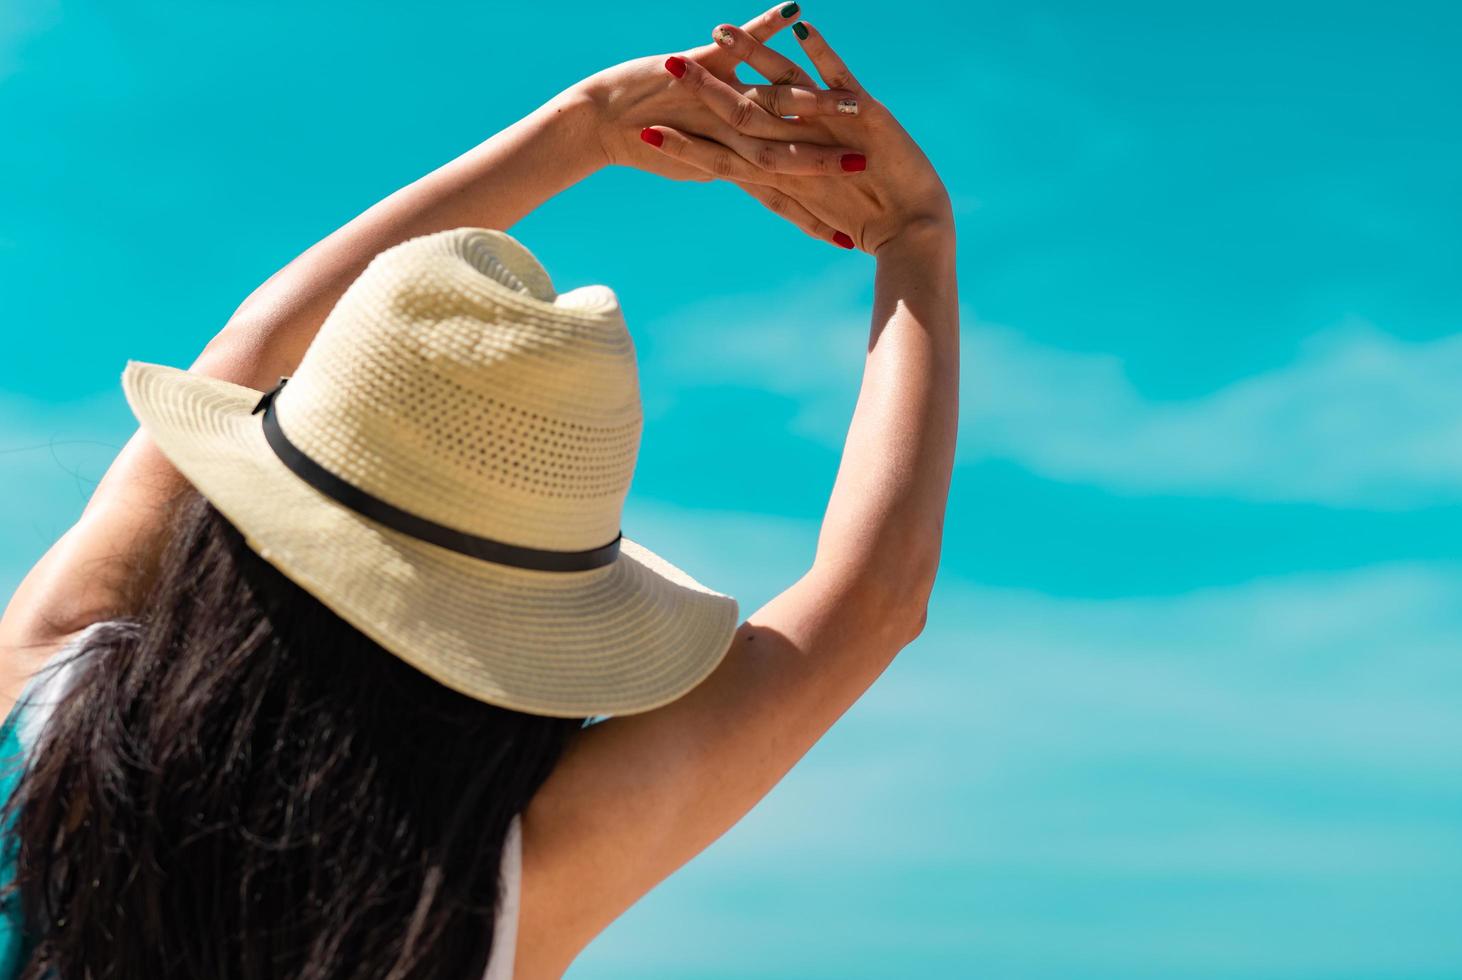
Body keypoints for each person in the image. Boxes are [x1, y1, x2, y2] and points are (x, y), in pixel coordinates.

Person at [0, 4, 958, 977]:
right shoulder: (482, 898)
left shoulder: (49, 714)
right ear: (534, 637)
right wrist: (912, 236)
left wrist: (581, 125)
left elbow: (246, 352)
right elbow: (870, 604)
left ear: (248, 505)